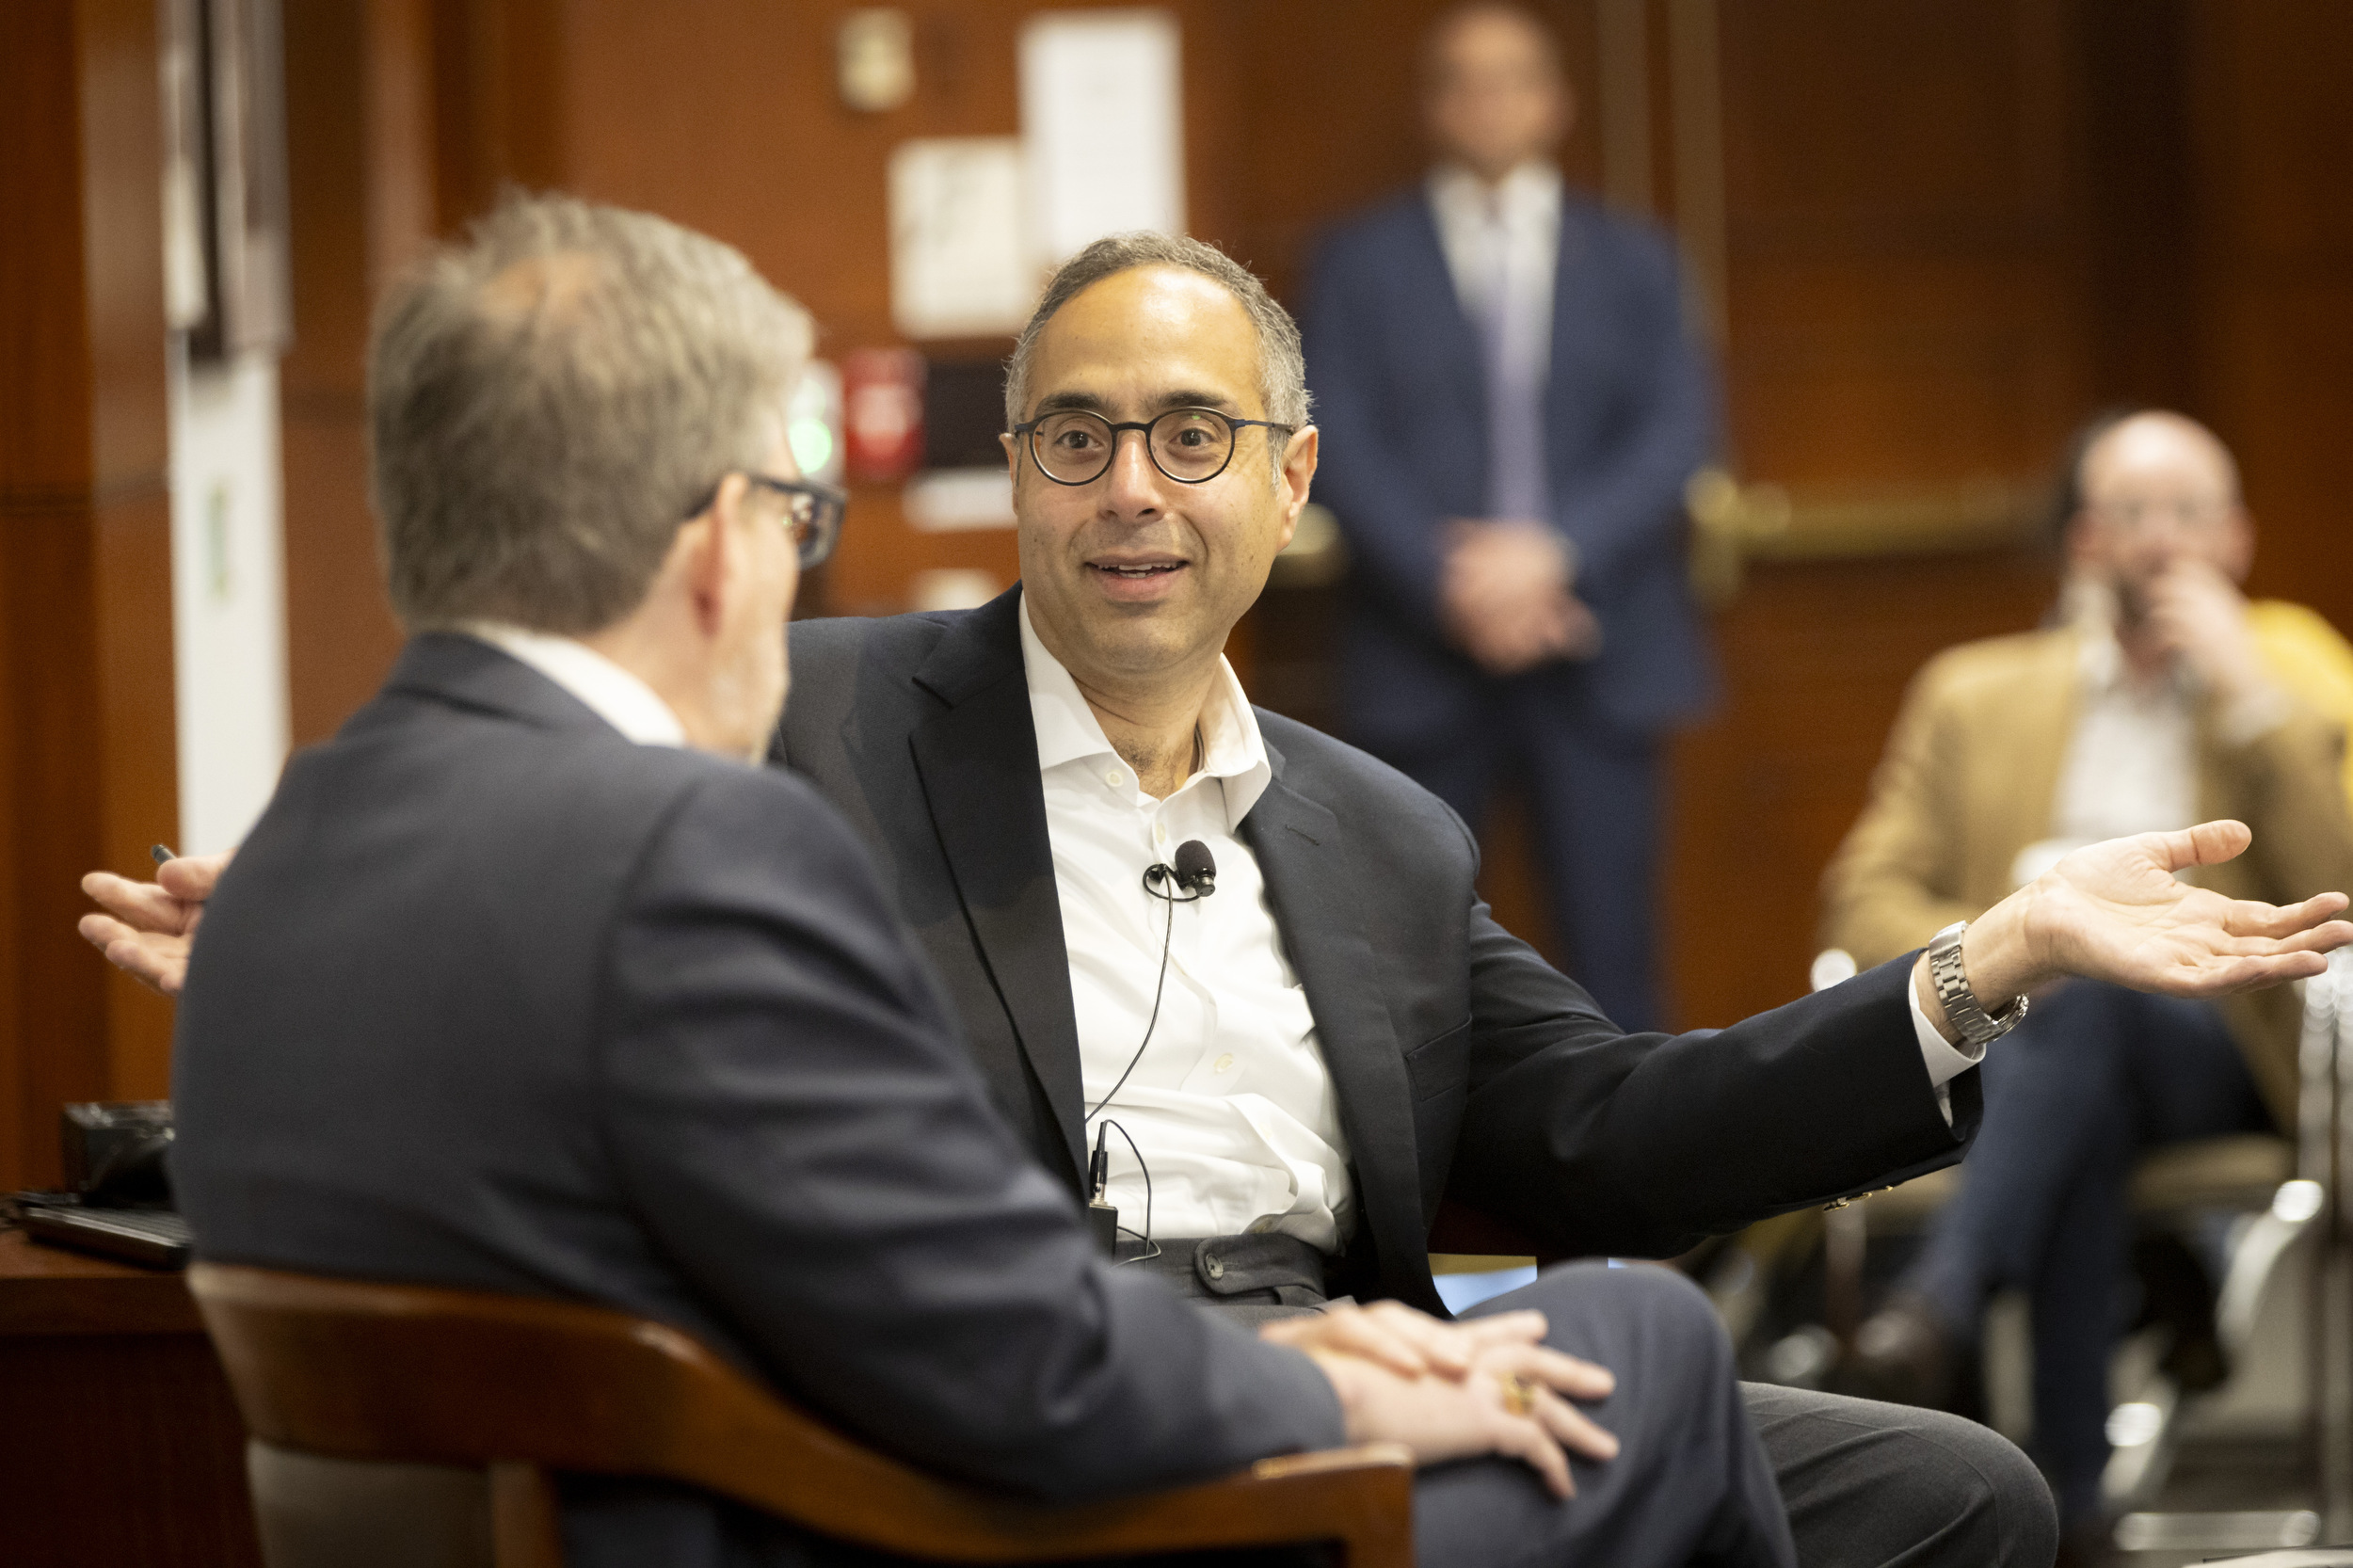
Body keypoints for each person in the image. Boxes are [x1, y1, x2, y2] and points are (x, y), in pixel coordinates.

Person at [87, 233, 2352, 1568]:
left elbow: (1607, 1141)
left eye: (1189, 438)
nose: (1128, 492)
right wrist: (1287, 1373)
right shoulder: (788, 738)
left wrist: (1993, 960)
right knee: (1640, 1355)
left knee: (1947, 1497)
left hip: (1135, 1381)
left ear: (1291, 480)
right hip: (1015, 1456)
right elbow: (889, 1258)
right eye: (1072, 438)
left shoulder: (1374, 829)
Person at [1822, 409, 2353, 1541]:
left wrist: (2250, 694)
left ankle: (1938, 1307)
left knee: (2099, 1003)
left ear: (2239, 539)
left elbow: (2345, 879)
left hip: (2221, 1039)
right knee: (2080, 1055)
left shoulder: (2296, 672)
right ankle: (2074, 1509)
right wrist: (2012, 941)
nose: (2160, 542)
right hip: (2031, 1036)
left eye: (2190, 514)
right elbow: (1864, 895)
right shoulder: (1976, 691)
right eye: (2128, 514)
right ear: (2081, 543)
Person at [1300, 3, 1719, 1032]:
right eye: (1462, 79)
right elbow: (1332, 436)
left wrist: (1551, 556)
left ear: (1555, 101)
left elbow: (1677, 431)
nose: (1487, 101)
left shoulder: (1636, 258)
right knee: (1408, 964)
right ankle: (1427, 1193)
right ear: (1432, 105)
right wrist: (1457, 582)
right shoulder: (1355, 261)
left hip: (1599, 651)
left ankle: (1632, 1183)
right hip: (1419, 655)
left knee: (1614, 966)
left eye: (1511, 78)